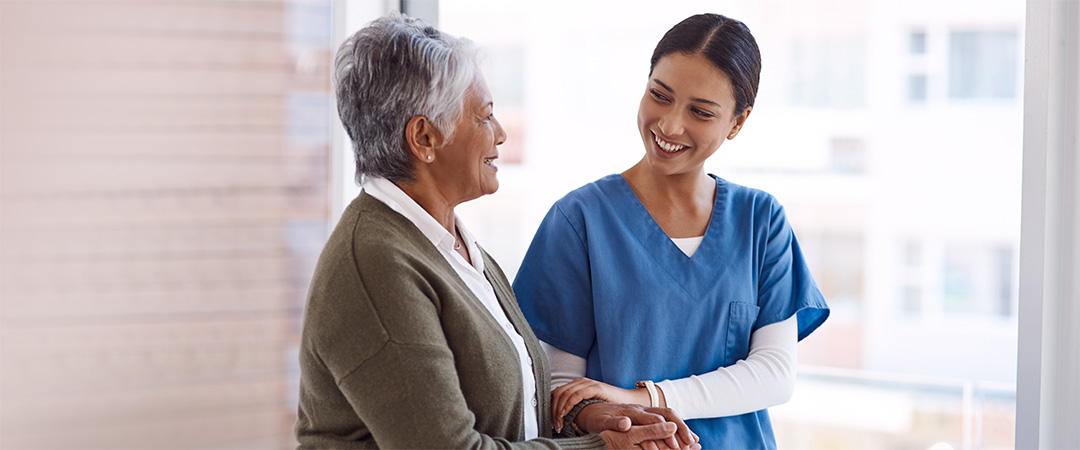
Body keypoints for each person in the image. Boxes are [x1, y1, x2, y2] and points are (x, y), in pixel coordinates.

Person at [294, 13, 701, 450]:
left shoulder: (451, 245)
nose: (502, 134)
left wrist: (587, 418)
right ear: (425, 138)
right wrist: (602, 447)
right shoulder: (377, 265)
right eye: (485, 117)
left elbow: (504, 405)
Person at [512, 13, 830, 450]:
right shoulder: (579, 220)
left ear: (737, 122)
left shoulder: (761, 220)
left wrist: (644, 397)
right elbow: (562, 387)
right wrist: (614, 417)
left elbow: (775, 374)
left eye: (700, 112)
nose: (669, 125)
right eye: (659, 96)